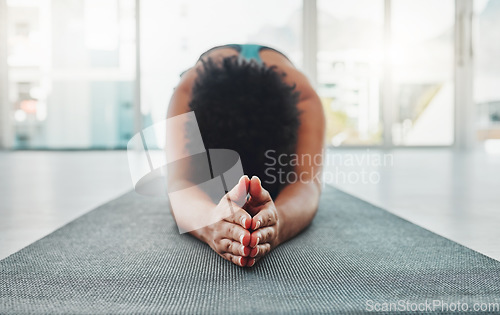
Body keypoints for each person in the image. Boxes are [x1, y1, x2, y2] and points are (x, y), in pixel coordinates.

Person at [166, 44, 325, 267]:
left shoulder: (303, 96)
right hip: (209, 84)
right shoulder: (188, 90)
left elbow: (306, 181)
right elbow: (180, 182)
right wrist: (210, 224)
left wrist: (277, 225)